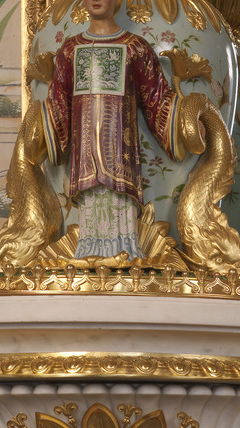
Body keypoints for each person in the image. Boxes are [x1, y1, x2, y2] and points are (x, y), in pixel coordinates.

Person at [43, 0, 179, 261]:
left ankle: (124, 249)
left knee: (118, 196)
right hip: (84, 147)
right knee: (91, 199)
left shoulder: (135, 47)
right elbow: (59, 99)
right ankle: (89, 249)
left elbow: (155, 95)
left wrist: (183, 117)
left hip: (119, 144)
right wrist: (46, 126)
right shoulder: (70, 49)